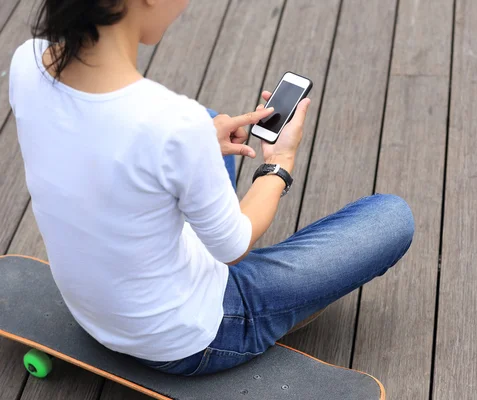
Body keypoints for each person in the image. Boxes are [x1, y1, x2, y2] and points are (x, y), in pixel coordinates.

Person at [9, 0, 415, 376]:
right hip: (186, 339)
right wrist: (279, 164)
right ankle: (278, 314)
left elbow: (101, 144)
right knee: (392, 218)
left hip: (92, 309)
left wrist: (198, 143)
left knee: (206, 120)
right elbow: (233, 247)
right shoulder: (172, 124)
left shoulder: (28, 60)